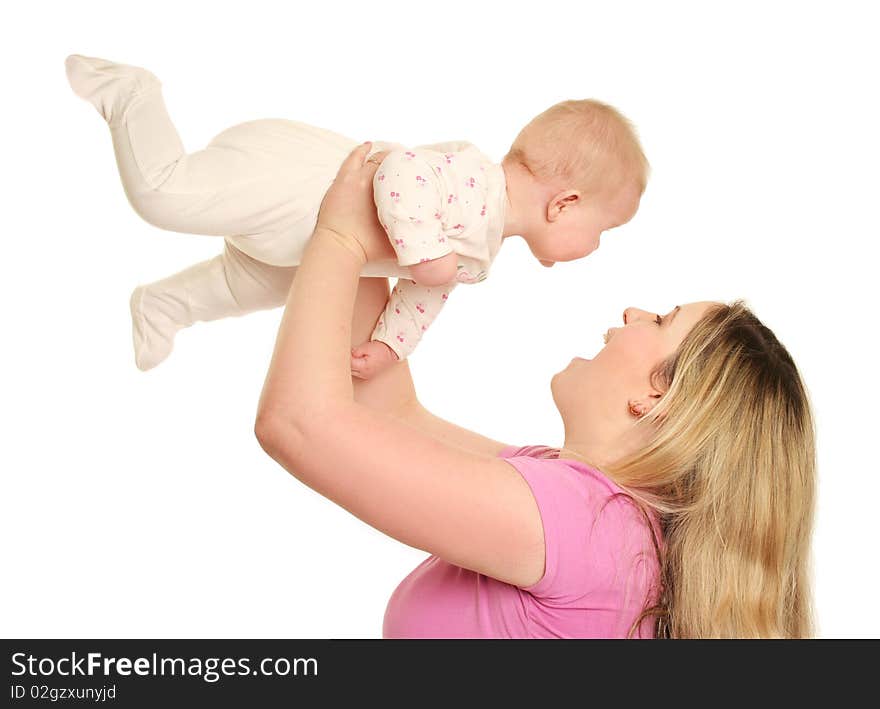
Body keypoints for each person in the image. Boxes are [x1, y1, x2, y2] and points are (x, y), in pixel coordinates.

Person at [254, 144, 817, 638]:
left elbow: (300, 425)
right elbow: (389, 411)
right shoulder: (606, 520)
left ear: (657, 398)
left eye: (661, 321)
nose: (633, 312)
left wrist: (340, 236)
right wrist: (386, 214)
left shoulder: (588, 521)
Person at [64, 54, 647, 375]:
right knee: (165, 195)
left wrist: (393, 344)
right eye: (601, 230)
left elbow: (424, 294)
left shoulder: (483, 245)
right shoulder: (475, 179)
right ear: (564, 203)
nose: (595, 247)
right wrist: (425, 254)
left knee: (250, 286)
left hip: (303, 237)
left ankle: (162, 305)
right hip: (299, 184)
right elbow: (400, 173)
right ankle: (135, 94)